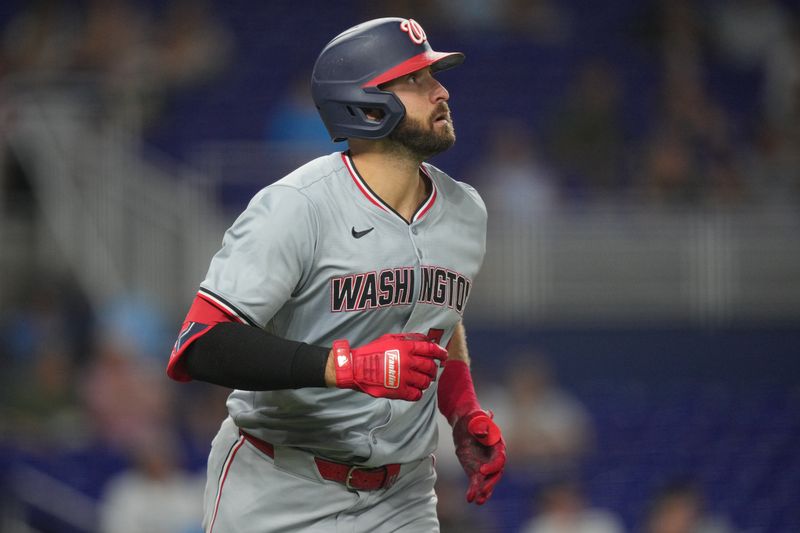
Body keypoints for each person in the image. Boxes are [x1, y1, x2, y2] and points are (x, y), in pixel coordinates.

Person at [166, 17, 506, 533]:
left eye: (433, 75)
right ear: (366, 104)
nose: (441, 90)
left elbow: (439, 317)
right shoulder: (296, 207)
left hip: (404, 497)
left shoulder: (465, 210)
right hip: (279, 485)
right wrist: (345, 368)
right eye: (416, 79)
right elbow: (201, 344)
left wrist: (461, 410)